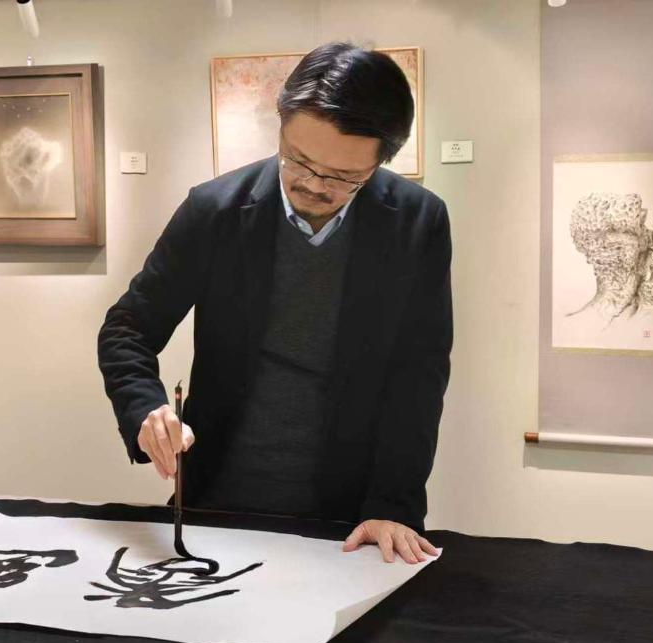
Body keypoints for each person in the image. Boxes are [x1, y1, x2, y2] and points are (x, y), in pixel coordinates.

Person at [98, 42, 452, 565]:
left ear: (380, 160)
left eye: (341, 177)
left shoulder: (416, 222)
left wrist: (393, 504)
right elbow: (128, 327)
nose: (312, 184)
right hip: (217, 494)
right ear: (282, 125)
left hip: (354, 511)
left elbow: (419, 372)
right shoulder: (215, 210)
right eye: (298, 160)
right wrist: (145, 408)